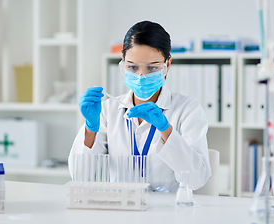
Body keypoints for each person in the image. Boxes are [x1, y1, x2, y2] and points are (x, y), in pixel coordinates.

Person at [69, 20, 211, 192]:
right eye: (133, 66)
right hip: (121, 209)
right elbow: (81, 177)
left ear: (167, 64)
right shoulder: (107, 111)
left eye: (152, 67)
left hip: (168, 213)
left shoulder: (188, 110)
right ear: (122, 62)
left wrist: (166, 130)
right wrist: (91, 128)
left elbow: (197, 179)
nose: (141, 75)